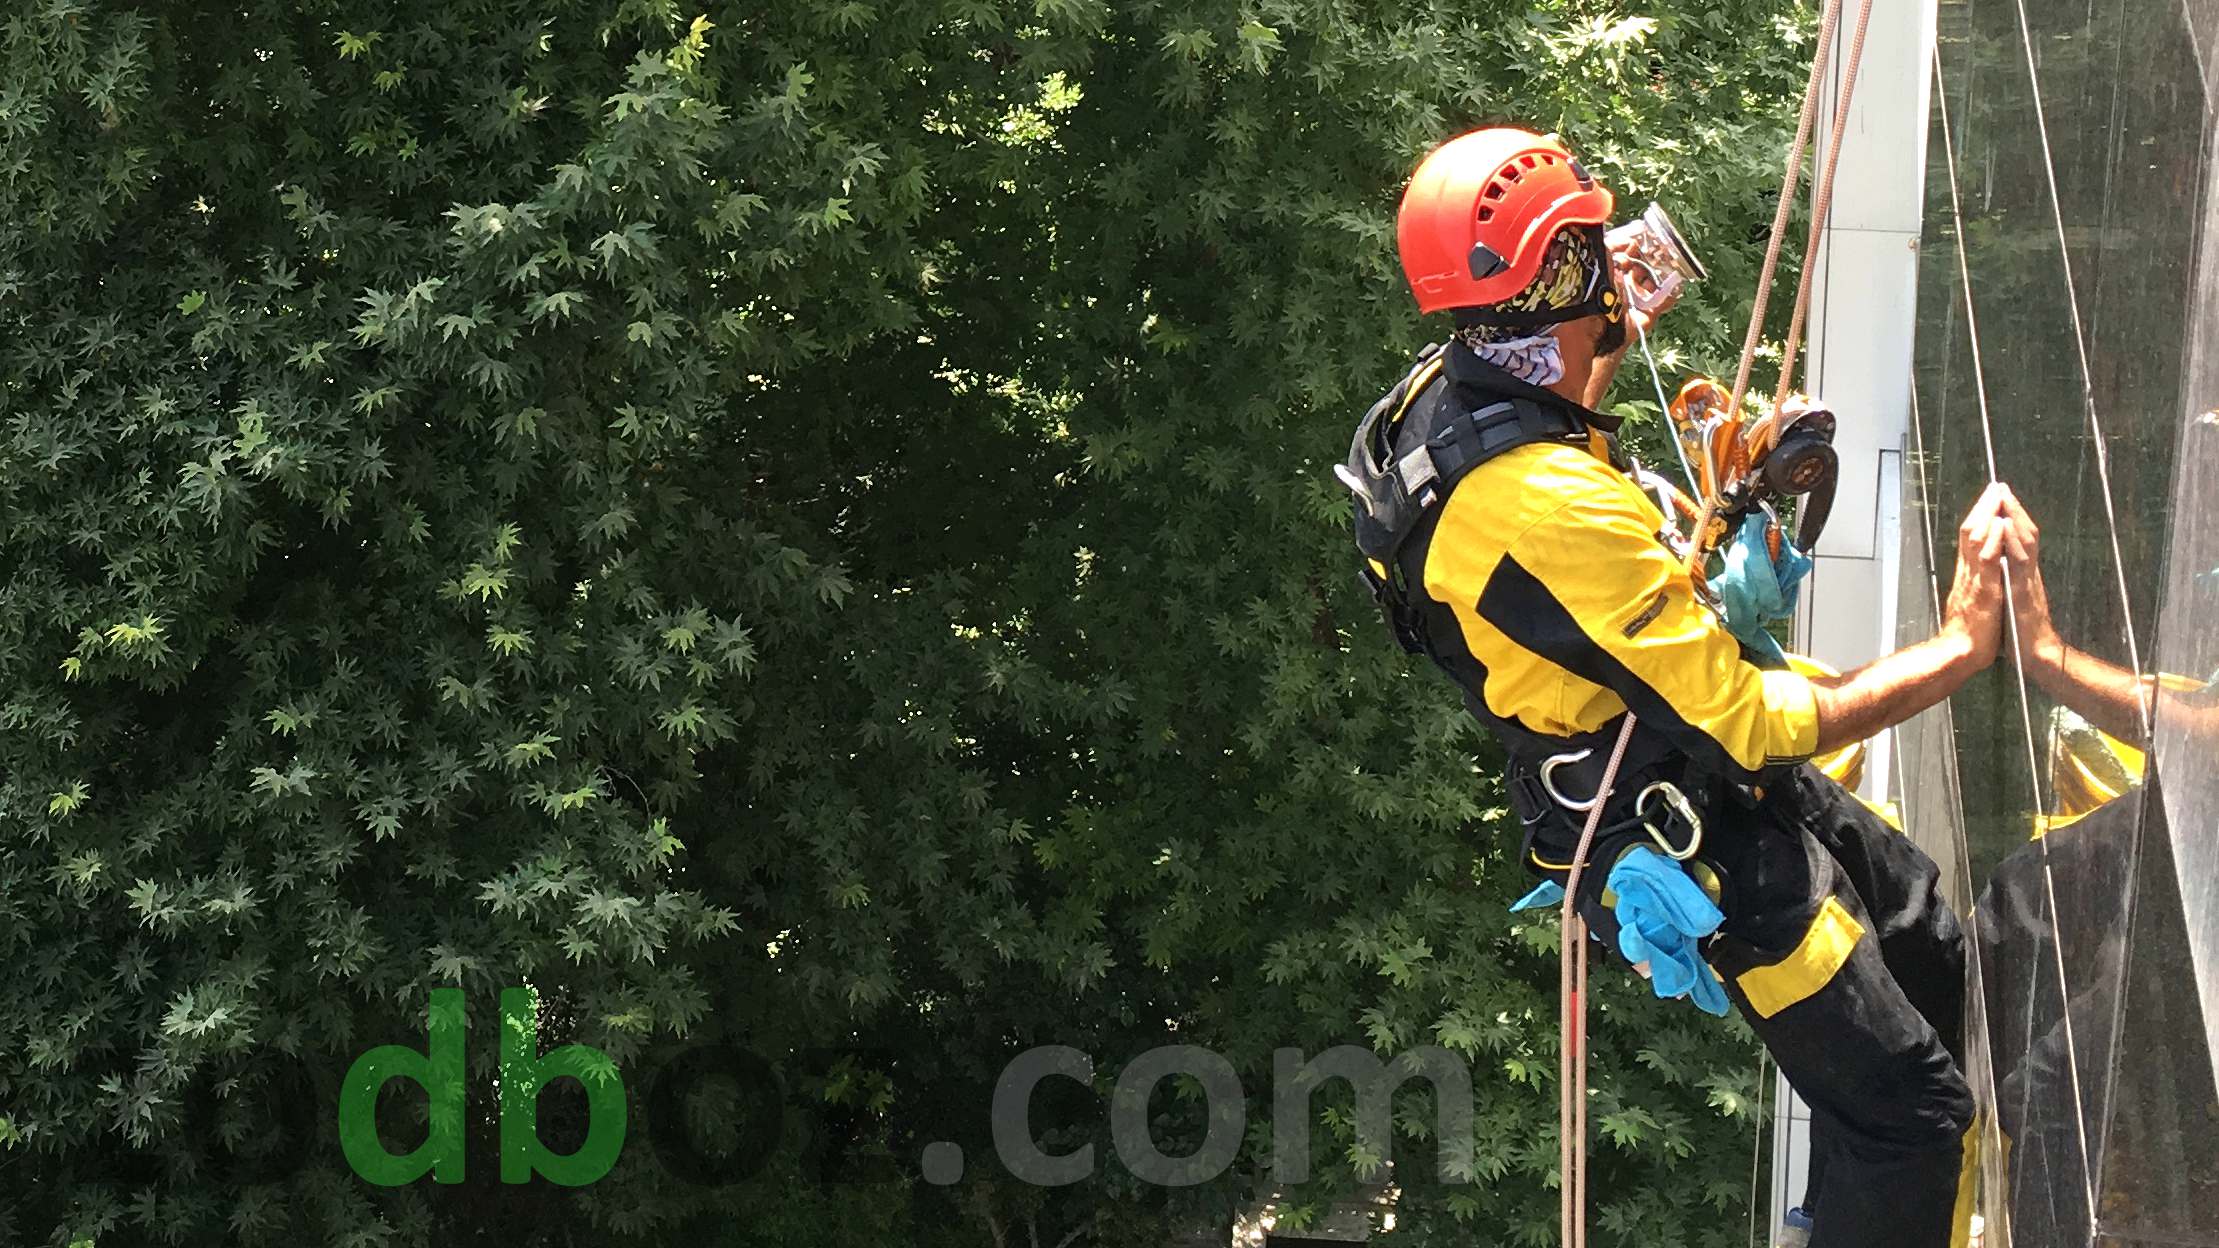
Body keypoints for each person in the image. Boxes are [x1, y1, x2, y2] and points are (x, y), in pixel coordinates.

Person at [1340, 127, 2029, 1248]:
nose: (1611, 268)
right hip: (1689, 834)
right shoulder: (1554, 510)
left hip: (1660, 751)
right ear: (1558, 275)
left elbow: (1544, 392)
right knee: (1910, 1119)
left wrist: (1617, 310)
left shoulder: (1442, 403)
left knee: (1924, 933)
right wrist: (1957, 647)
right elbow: (1751, 725)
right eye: (1588, 256)